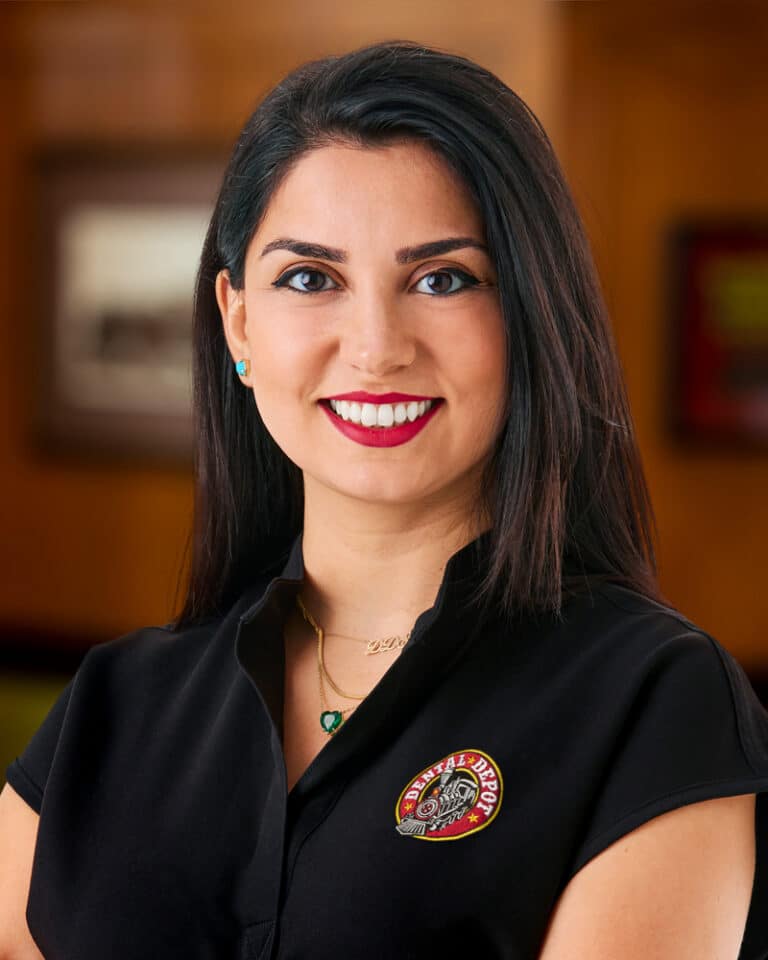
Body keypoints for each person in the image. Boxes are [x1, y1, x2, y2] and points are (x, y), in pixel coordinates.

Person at [1, 38, 767, 960]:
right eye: (310, 279)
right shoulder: (117, 705)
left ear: (528, 316)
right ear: (239, 323)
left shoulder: (652, 700)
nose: (375, 346)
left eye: (442, 279)